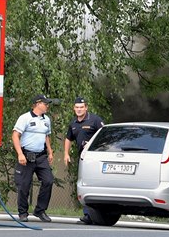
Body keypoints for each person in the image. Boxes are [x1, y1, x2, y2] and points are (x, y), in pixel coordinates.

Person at [12, 94, 55, 222]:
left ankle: (40, 210)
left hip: (41, 156)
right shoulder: (24, 118)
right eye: (45, 103)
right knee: (24, 185)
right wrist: (20, 154)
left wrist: (50, 151)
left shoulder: (46, 119)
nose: (47, 106)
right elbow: (15, 136)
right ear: (37, 104)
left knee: (48, 181)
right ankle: (23, 213)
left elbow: (47, 136)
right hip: (27, 155)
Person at [64, 96, 104, 224]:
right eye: (77, 107)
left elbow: (104, 135)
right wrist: (66, 154)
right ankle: (88, 215)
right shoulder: (73, 123)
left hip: (96, 158)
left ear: (86, 108)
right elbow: (68, 138)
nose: (79, 110)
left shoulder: (95, 120)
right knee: (84, 185)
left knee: (96, 185)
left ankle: (98, 214)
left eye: (81, 107)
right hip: (83, 159)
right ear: (74, 108)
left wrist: (92, 144)